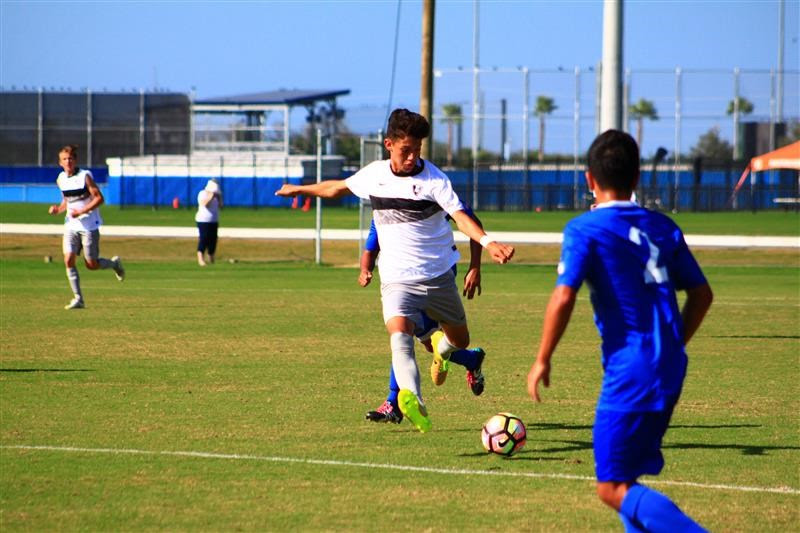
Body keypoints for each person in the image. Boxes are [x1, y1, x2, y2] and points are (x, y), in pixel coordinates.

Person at [277, 108, 514, 432]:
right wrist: (301, 189)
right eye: (406, 150)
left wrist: (488, 244)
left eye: (417, 150)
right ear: (389, 144)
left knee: (457, 339)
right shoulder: (375, 174)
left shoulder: (434, 179)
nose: (412, 157)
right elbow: (337, 188)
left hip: (438, 277)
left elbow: (461, 217)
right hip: (396, 280)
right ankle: (409, 398)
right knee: (399, 334)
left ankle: (450, 353)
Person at [527, 130, 713, 532]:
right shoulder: (663, 227)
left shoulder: (585, 229)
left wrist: (542, 358)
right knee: (627, 481)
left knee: (611, 488)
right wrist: (672, 343)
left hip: (631, 369)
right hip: (669, 364)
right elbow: (701, 294)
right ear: (638, 177)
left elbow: (563, 297)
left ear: (589, 179)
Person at [359, 218, 488, 424]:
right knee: (417, 340)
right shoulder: (383, 207)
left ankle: (393, 404)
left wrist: (475, 266)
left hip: (435, 278)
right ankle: (471, 360)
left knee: (407, 337)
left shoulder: (432, 192)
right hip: (402, 282)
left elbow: (470, 220)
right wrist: (365, 269)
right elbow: (371, 246)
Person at [47, 144, 125, 309]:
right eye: (64, 159)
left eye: (70, 158)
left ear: (75, 160)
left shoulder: (84, 176)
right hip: (71, 226)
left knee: (91, 264)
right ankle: (78, 299)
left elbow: (99, 198)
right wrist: (57, 209)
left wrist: (82, 211)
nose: (68, 162)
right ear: (60, 162)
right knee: (68, 259)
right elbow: (67, 201)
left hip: (89, 226)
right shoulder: (61, 179)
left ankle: (114, 265)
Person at [195, 179, 222, 266]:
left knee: (213, 240)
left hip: (214, 220)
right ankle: (200, 258)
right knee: (204, 239)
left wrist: (219, 198)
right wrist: (211, 196)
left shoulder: (217, 196)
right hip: (203, 221)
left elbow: (221, 206)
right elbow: (205, 204)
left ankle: (211, 257)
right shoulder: (202, 194)